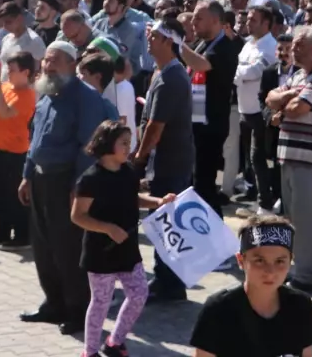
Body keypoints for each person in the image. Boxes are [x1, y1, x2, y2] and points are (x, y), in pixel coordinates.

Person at [19, 41, 114, 335]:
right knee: (43, 246)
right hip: (40, 179)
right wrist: (26, 175)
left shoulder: (86, 98)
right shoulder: (46, 93)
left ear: (72, 64)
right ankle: (54, 303)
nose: (47, 66)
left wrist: (78, 185)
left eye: (55, 61)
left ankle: (77, 310)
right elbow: (34, 139)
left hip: (65, 182)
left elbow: (87, 146)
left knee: (68, 249)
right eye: (46, 61)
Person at [72, 120, 175, 357]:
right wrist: (107, 228)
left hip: (128, 248)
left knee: (139, 293)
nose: (129, 147)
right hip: (100, 252)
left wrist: (159, 201)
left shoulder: (128, 171)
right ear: (107, 144)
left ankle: (115, 341)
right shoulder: (90, 179)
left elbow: (134, 198)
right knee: (100, 303)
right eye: (124, 143)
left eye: (130, 142)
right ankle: (89, 352)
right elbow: (78, 216)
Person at [265, 25, 312, 293]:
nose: (293, 50)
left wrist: (284, 106)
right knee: (292, 218)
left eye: (299, 45)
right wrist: (289, 95)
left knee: (305, 222)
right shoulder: (298, 75)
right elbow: (270, 98)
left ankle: (306, 277)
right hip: (289, 156)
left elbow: (298, 110)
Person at [189, 215, 312, 357]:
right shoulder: (219, 309)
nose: (270, 272)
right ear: (241, 261)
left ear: (290, 261)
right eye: (259, 260)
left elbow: (307, 354)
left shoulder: (300, 305)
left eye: (279, 261)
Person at [133, 20, 195, 302]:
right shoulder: (164, 72)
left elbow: (155, 127)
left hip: (171, 162)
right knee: (163, 220)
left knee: (165, 220)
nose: (150, 40)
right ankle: (166, 279)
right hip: (168, 161)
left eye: (155, 36)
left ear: (169, 42)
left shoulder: (171, 77)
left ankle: (170, 284)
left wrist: (139, 157)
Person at [182, 0, 241, 212]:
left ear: (216, 21)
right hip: (196, 123)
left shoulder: (225, 46)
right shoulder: (202, 43)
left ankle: (217, 238)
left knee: (204, 186)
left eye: (199, 18)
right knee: (197, 184)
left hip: (211, 127)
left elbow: (202, 65)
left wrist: (175, 44)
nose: (192, 21)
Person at [0, 50, 37, 249]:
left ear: (26, 72)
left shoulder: (28, 95)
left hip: (16, 152)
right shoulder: (4, 87)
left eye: (12, 70)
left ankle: (23, 235)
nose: (8, 73)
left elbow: (5, 113)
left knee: (14, 196)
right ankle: (2, 231)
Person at [235, 6, 278, 206]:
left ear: (266, 23)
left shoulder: (270, 46)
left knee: (258, 157)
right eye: (248, 19)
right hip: (244, 108)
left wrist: (240, 74)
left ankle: (265, 199)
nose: (248, 23)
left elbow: (256, 72)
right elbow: (241, 70)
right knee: (248, 156)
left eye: (253, 20)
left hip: (259, 111)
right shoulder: (247, 44)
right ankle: (251, 190)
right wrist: (242, 73)